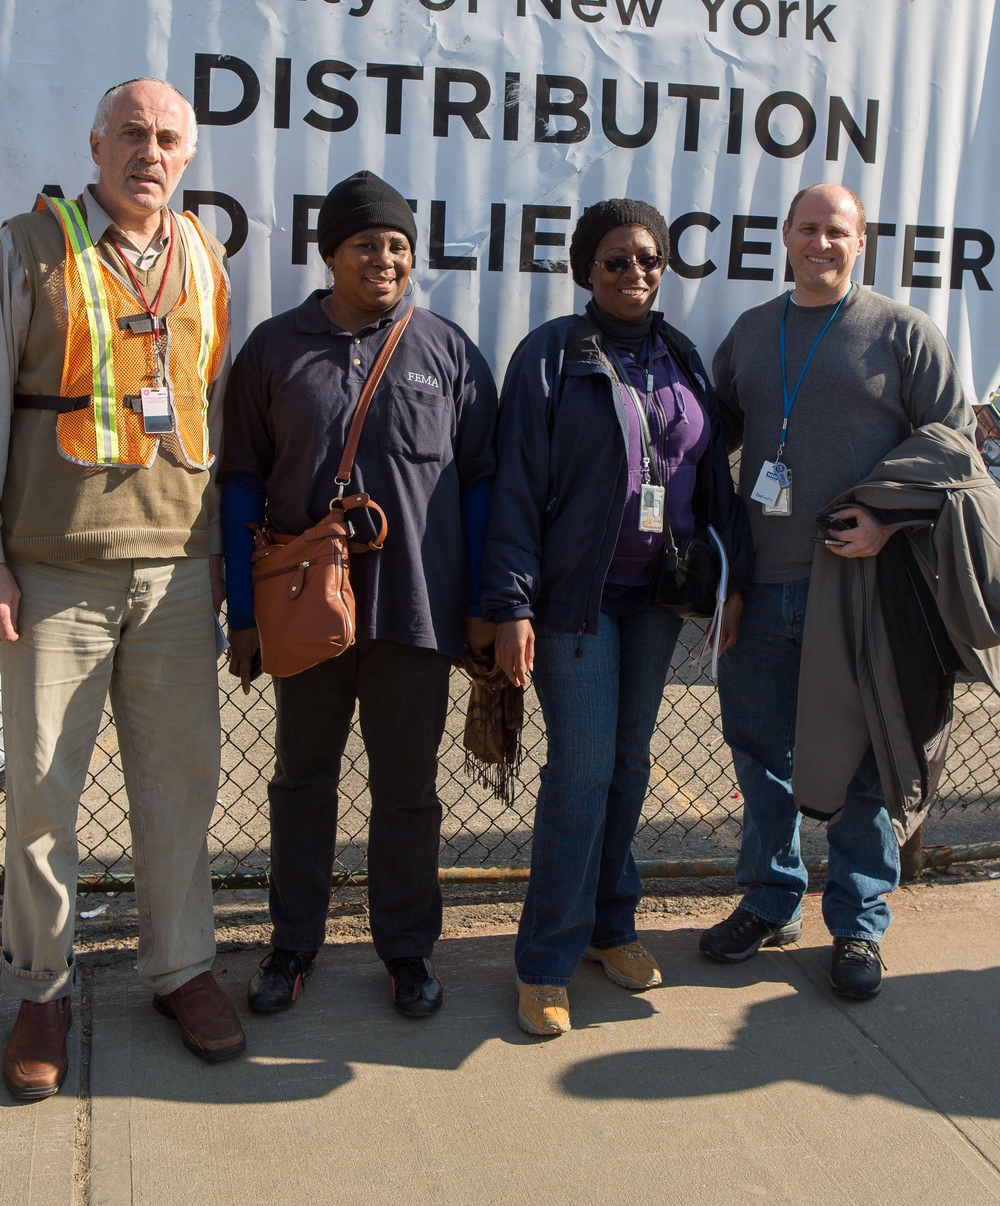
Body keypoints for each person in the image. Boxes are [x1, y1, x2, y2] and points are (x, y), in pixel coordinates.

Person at [0, 79, 241, 1102]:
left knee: (180, 785)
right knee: (44, 797)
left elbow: (215, 412)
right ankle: (40, 986)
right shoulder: (29, 249)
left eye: (168, 138)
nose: (150, 151)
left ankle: (180, 966)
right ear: (95, 144)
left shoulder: (206, 257)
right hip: (53, 566)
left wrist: (225, 563)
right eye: (132, 133)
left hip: (180, 568)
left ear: (186, 157)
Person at [221, 170, 497, 1020]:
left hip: (416, 613)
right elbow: (239, 483)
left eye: (399, 246)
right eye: (368, 244)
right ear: (331, 252)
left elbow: (483, 485)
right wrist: (242, 611)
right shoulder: (274, 348)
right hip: (305, 618)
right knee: (302, 781)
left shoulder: (446, 350)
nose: (385, 258)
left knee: (408, 789)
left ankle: (407, 951)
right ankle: (293, 943)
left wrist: (484, 601)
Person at [481, 198, 752, 1039]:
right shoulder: (551, 357)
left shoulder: (682, 355)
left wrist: (729, 582)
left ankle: (611, 926)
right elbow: (516, 488)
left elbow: (711, 483)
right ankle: (545, 962)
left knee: (630, 764)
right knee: (582, 771)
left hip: (656, 601)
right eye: (615, 261)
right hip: (576, 603)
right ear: (584, 272)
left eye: (649, 259)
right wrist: (511, 605)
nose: (636, 274)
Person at [703, 181, 974, 997]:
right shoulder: (751, 335)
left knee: (863, 768)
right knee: (760, 757)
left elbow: (956, 451)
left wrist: (888, 525)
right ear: (784, 234)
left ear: (862, 243)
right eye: (808, 228)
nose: (821, 243)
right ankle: (771, 898)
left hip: (862, 595)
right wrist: (724, 575)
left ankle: (858, 926)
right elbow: (713, 453)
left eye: (838, 232)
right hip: (765, 586)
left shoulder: (902, 333)